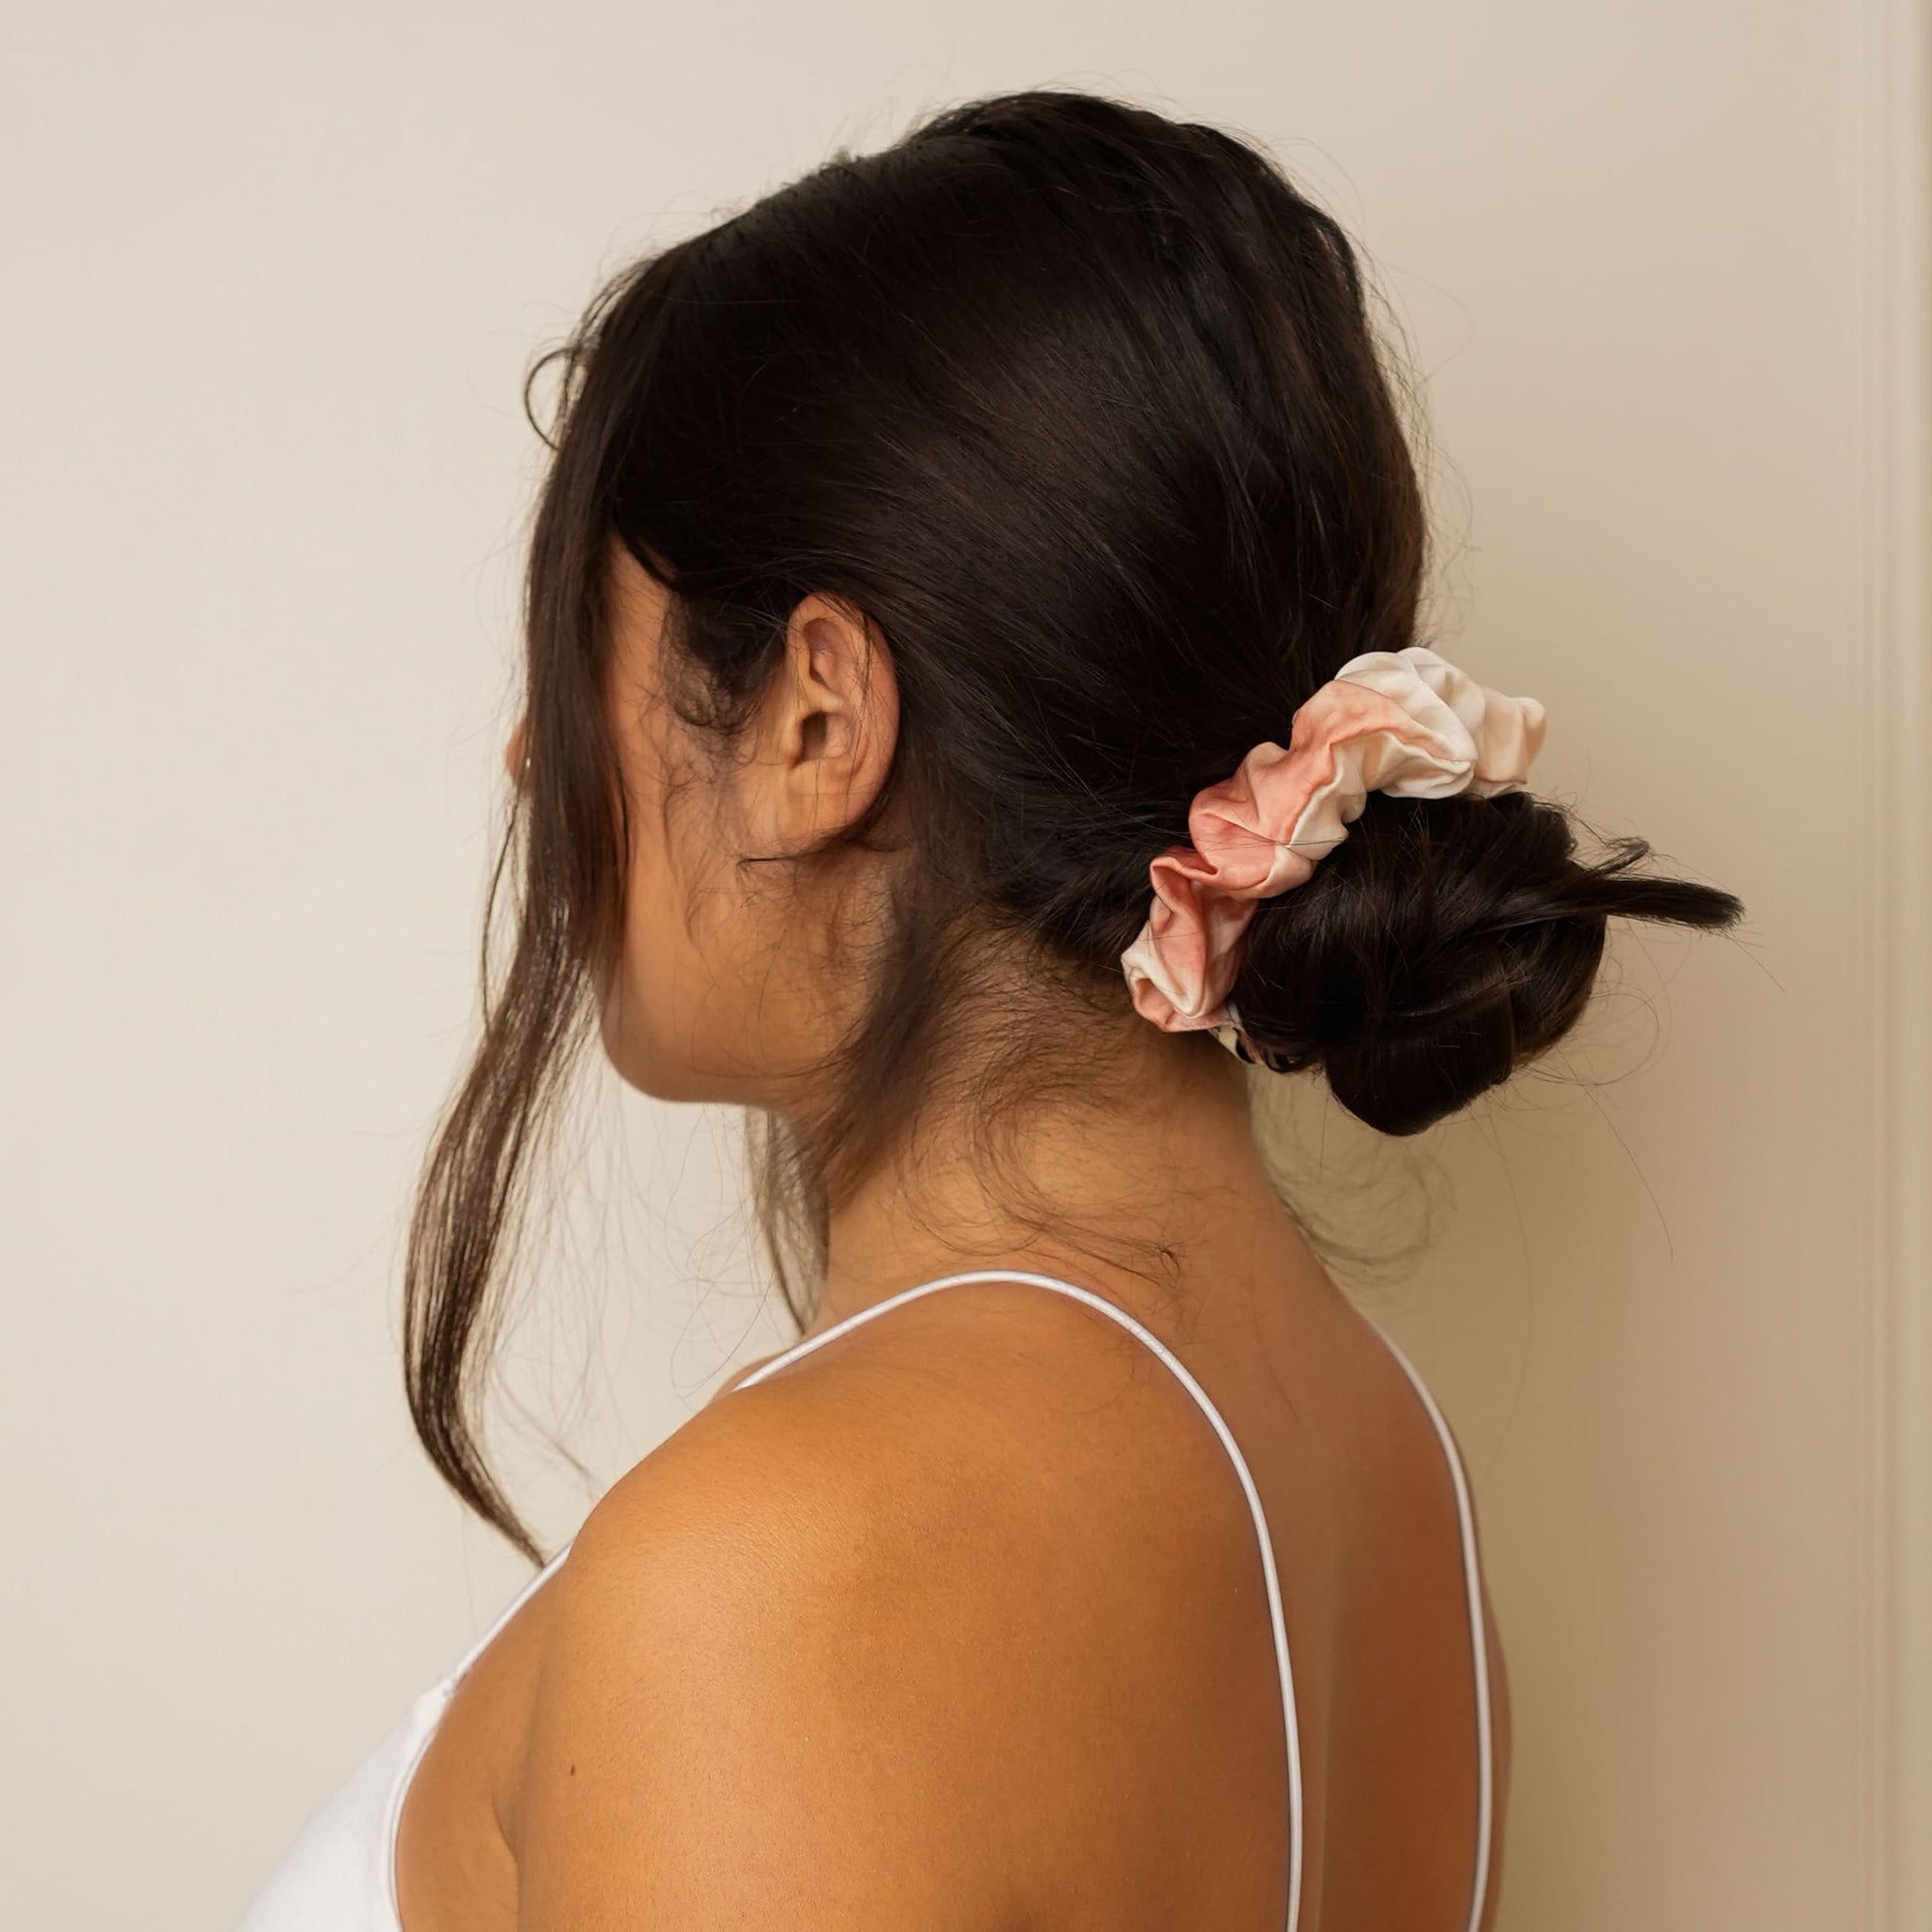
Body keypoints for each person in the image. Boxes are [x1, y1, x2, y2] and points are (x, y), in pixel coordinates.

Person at [236, 86, 1744, 1932]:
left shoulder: (789, 1562)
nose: (530, 750)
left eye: (583, 649)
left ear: (816, 721)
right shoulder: (1388, 1478)